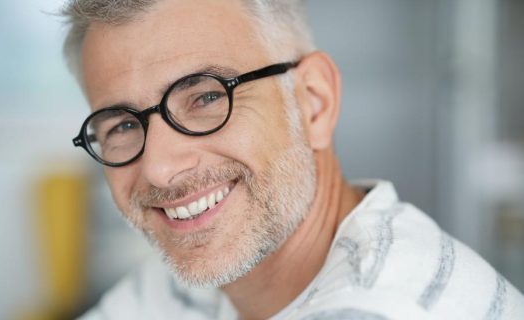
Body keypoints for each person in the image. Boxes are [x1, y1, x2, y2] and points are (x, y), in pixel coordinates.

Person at [61, 0, 524, 319]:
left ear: (314, 103)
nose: (160, 168)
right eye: (121, 125)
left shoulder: (385, 305)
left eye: (205, 97)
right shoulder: (182, 286)